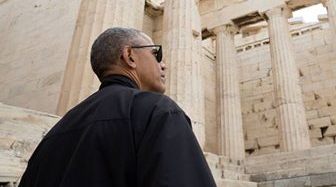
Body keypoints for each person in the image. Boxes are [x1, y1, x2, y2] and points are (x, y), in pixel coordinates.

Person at [19, 27, 216, 187]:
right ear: (129, 56)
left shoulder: (56, 132)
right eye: (156, 54)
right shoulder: (157, 112)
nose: (163, 64)